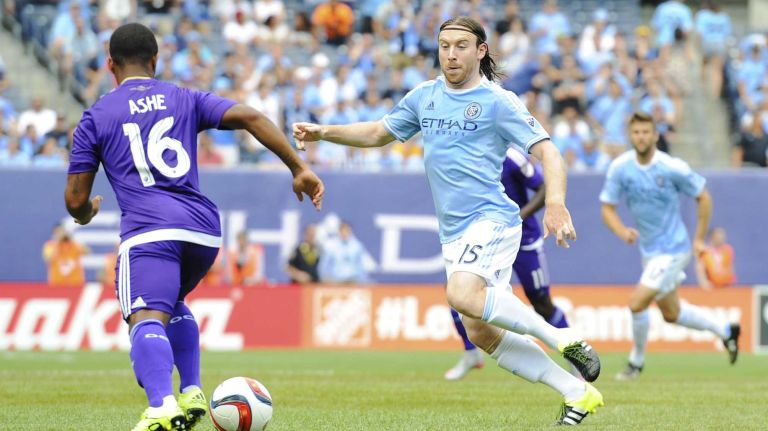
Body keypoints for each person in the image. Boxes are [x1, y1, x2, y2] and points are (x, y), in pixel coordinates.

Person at [293, 17, 603, 425]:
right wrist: (323, 132)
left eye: (461, 45)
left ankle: (564, 338)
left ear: (480, 51)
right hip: (454, 233)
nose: (451, 54)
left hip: (492, 219)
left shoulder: (498, 101)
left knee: (460, 293)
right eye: (444, 46)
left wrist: (556, 203)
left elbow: (549, 152)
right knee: (479, 331)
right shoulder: (425, 96)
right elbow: (377, 133)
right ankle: (577, 392)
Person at [64, 23, 324, 431]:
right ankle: (190, 390)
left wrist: (85, 214)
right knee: (172, 302)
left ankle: (161, 407)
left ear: (110, 64)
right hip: (202, 230)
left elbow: (75, 199)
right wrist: (298, 167)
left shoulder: (97, 116)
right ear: (155, 61)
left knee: (145, 317)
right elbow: (251, 116)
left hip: (150, 230)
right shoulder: (184, 97)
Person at [600, 112, 740, 381]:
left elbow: (703, 196)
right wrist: (621, 231)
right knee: (671, 313)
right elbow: (607, 208)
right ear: (630, 136)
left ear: (655, 135)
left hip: (674, 249)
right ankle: (726, 330)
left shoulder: (671, 167)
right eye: (636, 132)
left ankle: (636, 363)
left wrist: (699, 239)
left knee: (637, 303)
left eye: (646, 132)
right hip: (649, 252)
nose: (641, 137)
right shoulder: (620, 168)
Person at [445, 146, 570, 381]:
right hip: (484, 238)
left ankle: (574, 358)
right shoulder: (463, 152)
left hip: (522, 237)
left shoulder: (511, 156)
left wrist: (518, 217)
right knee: (458, 293)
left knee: (541, 303)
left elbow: (543, 188)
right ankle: (471, 353)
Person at [42, 223, 88, 287]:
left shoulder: (73, 244)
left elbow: (87, 251)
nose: (60, 234)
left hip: (75, 283)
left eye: (62, 231)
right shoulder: (50, 245)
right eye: (58, 232)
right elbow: (48, 259)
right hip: (57, 284)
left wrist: (71, 239)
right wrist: (57, 243)